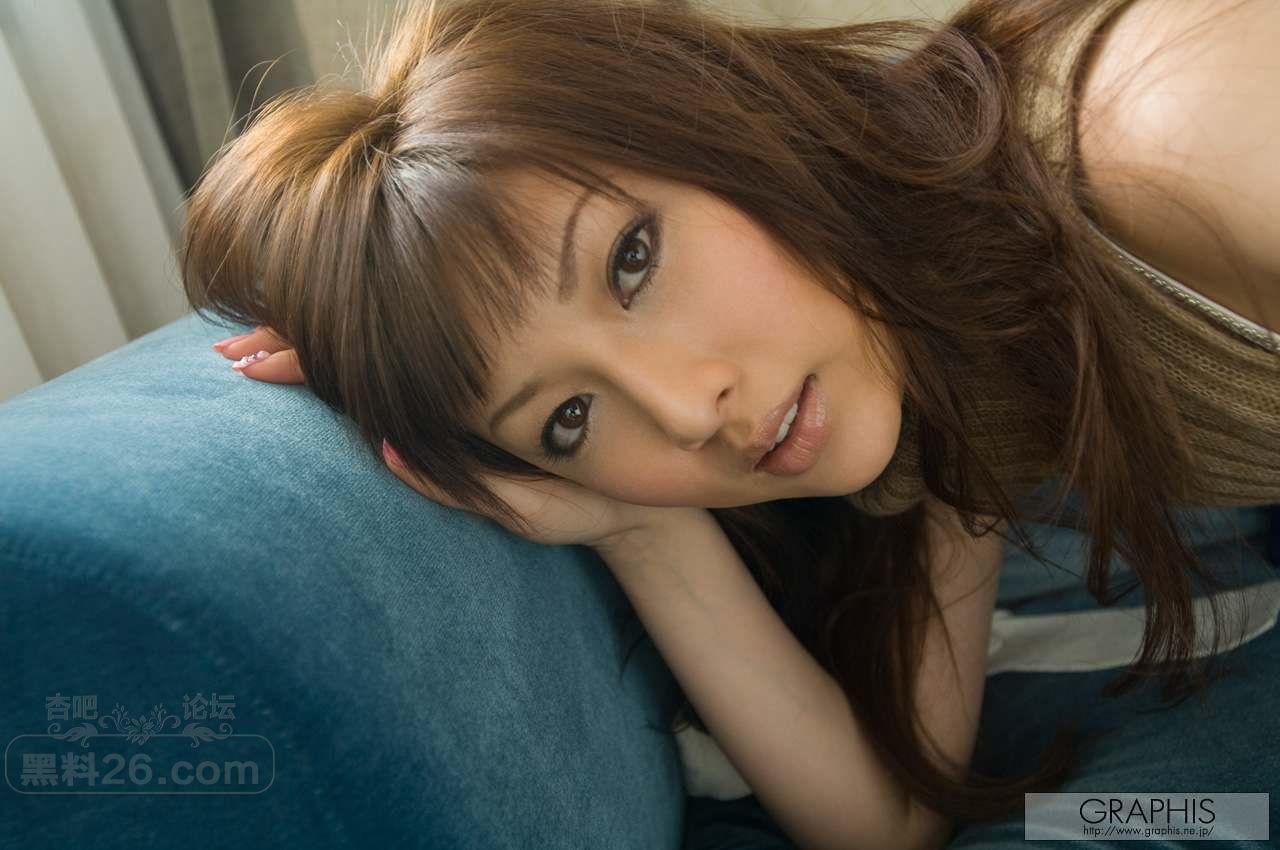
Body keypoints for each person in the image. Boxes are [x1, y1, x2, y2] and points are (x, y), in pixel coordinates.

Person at [183, 0, 1279, 846]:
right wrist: (637, 527)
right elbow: (889, 821)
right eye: (569, 417)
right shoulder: (947, 357)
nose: (680, 410)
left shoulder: (1161, 136)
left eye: (632, 260)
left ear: (712, 120)